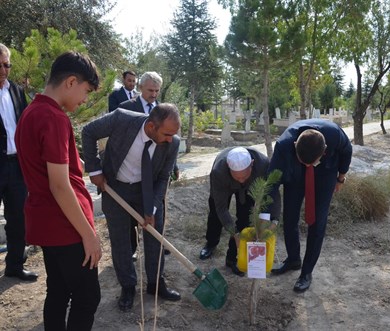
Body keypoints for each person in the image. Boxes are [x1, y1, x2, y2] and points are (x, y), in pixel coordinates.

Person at [15, 51, 102, 330]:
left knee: (60, 291)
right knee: (88, 296)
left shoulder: (31, 112)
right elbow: (59, 185)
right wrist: (89, 235)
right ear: (71, 82)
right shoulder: (53, 118)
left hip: (47, 222)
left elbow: (55, 168)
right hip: (65, 226)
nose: (85, 99)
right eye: (86, 91)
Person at [81, 103, 181, 312]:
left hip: (148, 191)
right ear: (152, 126)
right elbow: (88, 132)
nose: (171, 139)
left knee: (155, 238)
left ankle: (155, 283)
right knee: (121, 241)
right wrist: (94, 169)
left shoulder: (172, 143)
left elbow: (163, 178)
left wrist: (152, 208)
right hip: (115, 187)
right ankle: (128, 286)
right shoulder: (121, 119)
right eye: (167, 134)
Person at [268, 119, 352, 293]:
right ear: (295, 144)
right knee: (289, 217)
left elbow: (347, 151)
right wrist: (266, 216)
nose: (308, 166)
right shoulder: (283, 145)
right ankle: (293, 259)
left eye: (311, 162)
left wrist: (340, 178)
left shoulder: (335, 135)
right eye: (303, 161)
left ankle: (306, 273)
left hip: (325, 174)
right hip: (295, 177)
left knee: (317, 223)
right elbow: (271, 184)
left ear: (324, 150)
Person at [118, 71, 177, 259]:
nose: (153, 94)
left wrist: (173, 166)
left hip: (157, 170)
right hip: (132, 170)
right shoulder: (127, 107)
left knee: (157, 207)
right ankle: (132, 247)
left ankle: (157, 241)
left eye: (157, 91)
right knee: (130, 215)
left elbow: (170, 141)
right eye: (150, 90)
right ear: (141, 87)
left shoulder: (165, 111)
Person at [199, 147, 280, 276]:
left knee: (245, 218)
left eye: (244, 176)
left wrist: (275, 220)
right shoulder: (218, 172)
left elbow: (272, 194)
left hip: (250, 187)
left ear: (252, 164)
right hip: (224, 184)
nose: (241, 180)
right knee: (215, 214)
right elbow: (221, 208)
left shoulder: (263, 165)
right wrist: (234, 233)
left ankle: (232, 259)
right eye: (237, 177)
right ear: (228, 167)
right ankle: (211, 243)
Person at [0, 43, 37, 282]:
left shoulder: (14, 89)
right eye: (0, 65)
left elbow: (25, 122)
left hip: (15, 166)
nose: (4, 69)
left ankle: (14, 265)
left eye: (7, 65)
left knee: (17, 218)